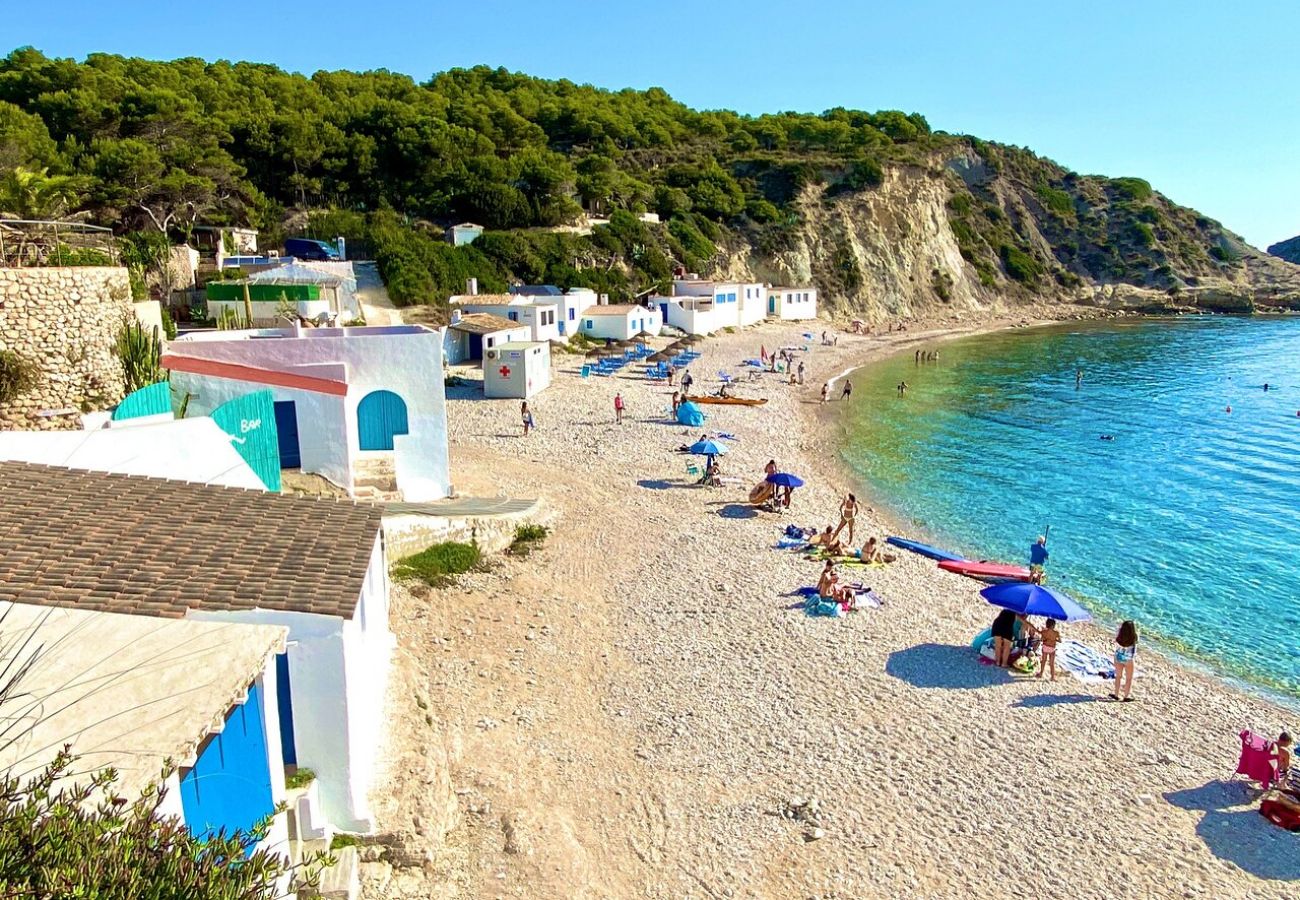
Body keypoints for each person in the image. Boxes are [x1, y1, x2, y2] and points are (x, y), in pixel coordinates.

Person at [1111, 620, 1138, 701]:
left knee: (1118, 677)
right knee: (1129, 678)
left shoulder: (1119, 635)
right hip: (1128, 659)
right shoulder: (1134, 637)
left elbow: (1117, 628)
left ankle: (1116, 694)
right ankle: (1126, 696)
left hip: (1118, 657)